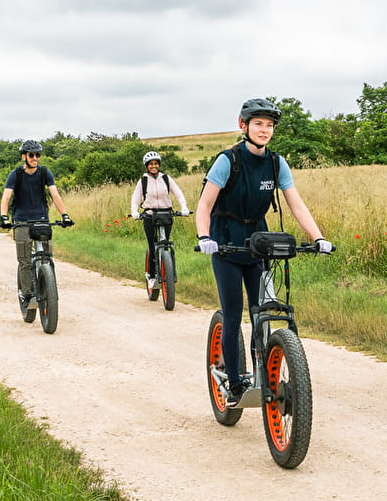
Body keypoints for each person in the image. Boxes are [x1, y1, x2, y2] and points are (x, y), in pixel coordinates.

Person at [195, 98, 334, 399]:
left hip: (259, 243)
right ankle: (234, 384)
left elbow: (296, 204)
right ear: (243, 125)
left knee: (262, 312)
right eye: (258, 123)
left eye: (269, 125)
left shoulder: (276, 162)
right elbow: (205, 205)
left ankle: (263, 373)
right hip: (227, 244)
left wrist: (319, 237)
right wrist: (205, 237)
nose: (264, 130)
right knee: (233, 314)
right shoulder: (227, 160)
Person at [0, 139, 73, 310]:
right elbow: (6, 197)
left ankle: (49, 290)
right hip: (21, 221)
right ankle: (27, 295)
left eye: (38, 154)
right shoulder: (15, 175)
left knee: (47, 257)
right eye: (32, 155)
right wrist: (4, 217)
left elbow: (55, 195)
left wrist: (65, 215)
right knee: (25, 261)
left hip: (41, 220)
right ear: (24, 156)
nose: (35, 158)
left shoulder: (45, 173)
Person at [128, 150, 190, 290]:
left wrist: (184, 207)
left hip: (166, 214)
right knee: (152, 246)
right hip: (149, 216)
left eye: (156, 164)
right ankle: (151, 276)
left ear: (159, 165)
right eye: (151, 164)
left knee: (165, 244)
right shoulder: (143, 181)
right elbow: (135, 198)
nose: (154, 166)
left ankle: (167, 271)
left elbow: (178, 193)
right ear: (147, 166)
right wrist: (134, 212)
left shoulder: (166, 179)